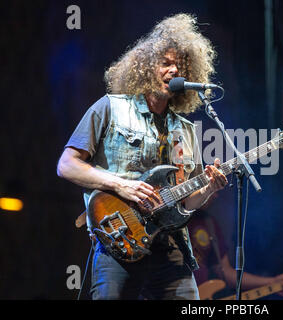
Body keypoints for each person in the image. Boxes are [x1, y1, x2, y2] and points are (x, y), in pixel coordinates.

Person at [56, 13, 227, 300]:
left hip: (171, 246)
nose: (174, 70)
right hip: (119, 241)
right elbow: (66, 165)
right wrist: (120, 184)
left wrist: (208, 188)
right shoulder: (109, 107)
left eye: (180, 66)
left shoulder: (186, 130)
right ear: (147, 67)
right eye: (166, 63)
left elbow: (187, 201)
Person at [189, 195, 283, 300]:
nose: (215, 195)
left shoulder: (209, 223)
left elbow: (225, 272)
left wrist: (271, 282)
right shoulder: (173, 218)